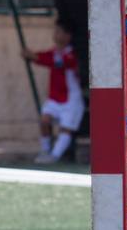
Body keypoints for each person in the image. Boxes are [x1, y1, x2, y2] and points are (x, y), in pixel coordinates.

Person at [23, 19, 83, 164]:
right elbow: (44, 57)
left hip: (71, 100)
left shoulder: (71, 54)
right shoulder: (54, 52)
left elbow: (56, 63)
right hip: (55, 98)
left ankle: (55, 156)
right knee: (44, 120)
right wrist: (31, 55)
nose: (55, 34)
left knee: (65, 129)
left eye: (59, 32)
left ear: (67, 36)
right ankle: (45, 150)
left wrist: (35, 57)